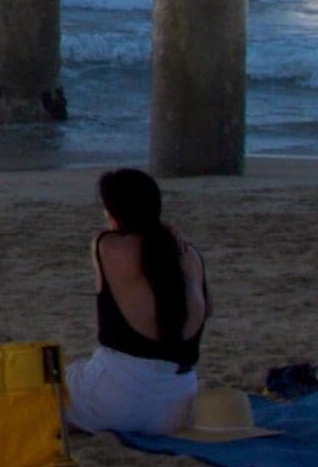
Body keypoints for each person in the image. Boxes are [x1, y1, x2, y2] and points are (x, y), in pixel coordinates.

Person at [66, 167, 212, 435]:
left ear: (115, 212)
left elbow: (116, 238)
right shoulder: (189, 254)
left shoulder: (107, 246)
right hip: (176, 410)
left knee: (49, 381)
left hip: (114, 400)